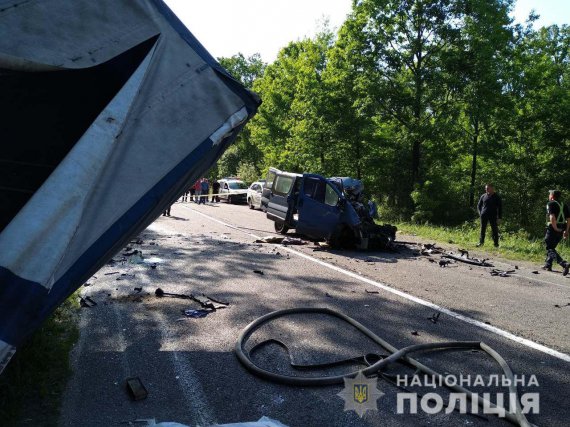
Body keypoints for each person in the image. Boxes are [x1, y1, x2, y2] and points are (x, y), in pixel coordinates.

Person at [543, 190, 570, 275]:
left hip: (554, 228)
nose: (549, 195)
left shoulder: (550, 203)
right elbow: (569, 219)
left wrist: (555, 228)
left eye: (549, 194)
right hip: (562, 227)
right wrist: (566, 230)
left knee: (549, 248)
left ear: (552, 196)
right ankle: (548, 265)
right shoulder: (564, 205)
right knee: (552, 247)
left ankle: (564, 263)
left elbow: (552, 217)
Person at [477, 183, 502, 248]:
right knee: (483, 229)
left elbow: (500, 208)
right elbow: (479, 205)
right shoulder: (483, 196)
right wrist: (480, 213)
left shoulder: (497, 197)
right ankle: (481, 243)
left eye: (487, 188)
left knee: (494, 230)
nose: (486, 189)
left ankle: (496, 244)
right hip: (484, 215)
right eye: (486, 188)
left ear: (492, 188)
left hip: (493, 216)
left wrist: (499, 218)